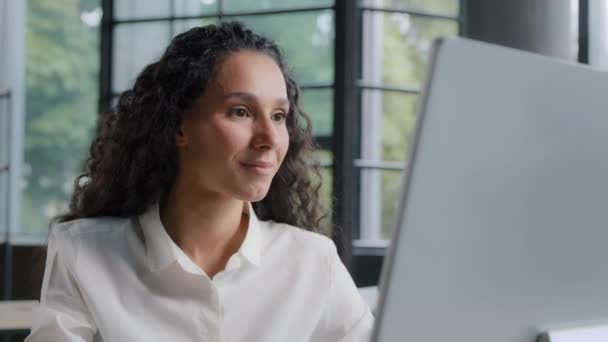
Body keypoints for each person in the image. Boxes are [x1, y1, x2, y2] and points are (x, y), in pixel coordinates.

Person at [25, 21, 374, 342]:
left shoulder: (312, 260)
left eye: (279, 116)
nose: (270, 137)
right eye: (241, 111)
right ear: (179, 126)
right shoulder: (82, 251)